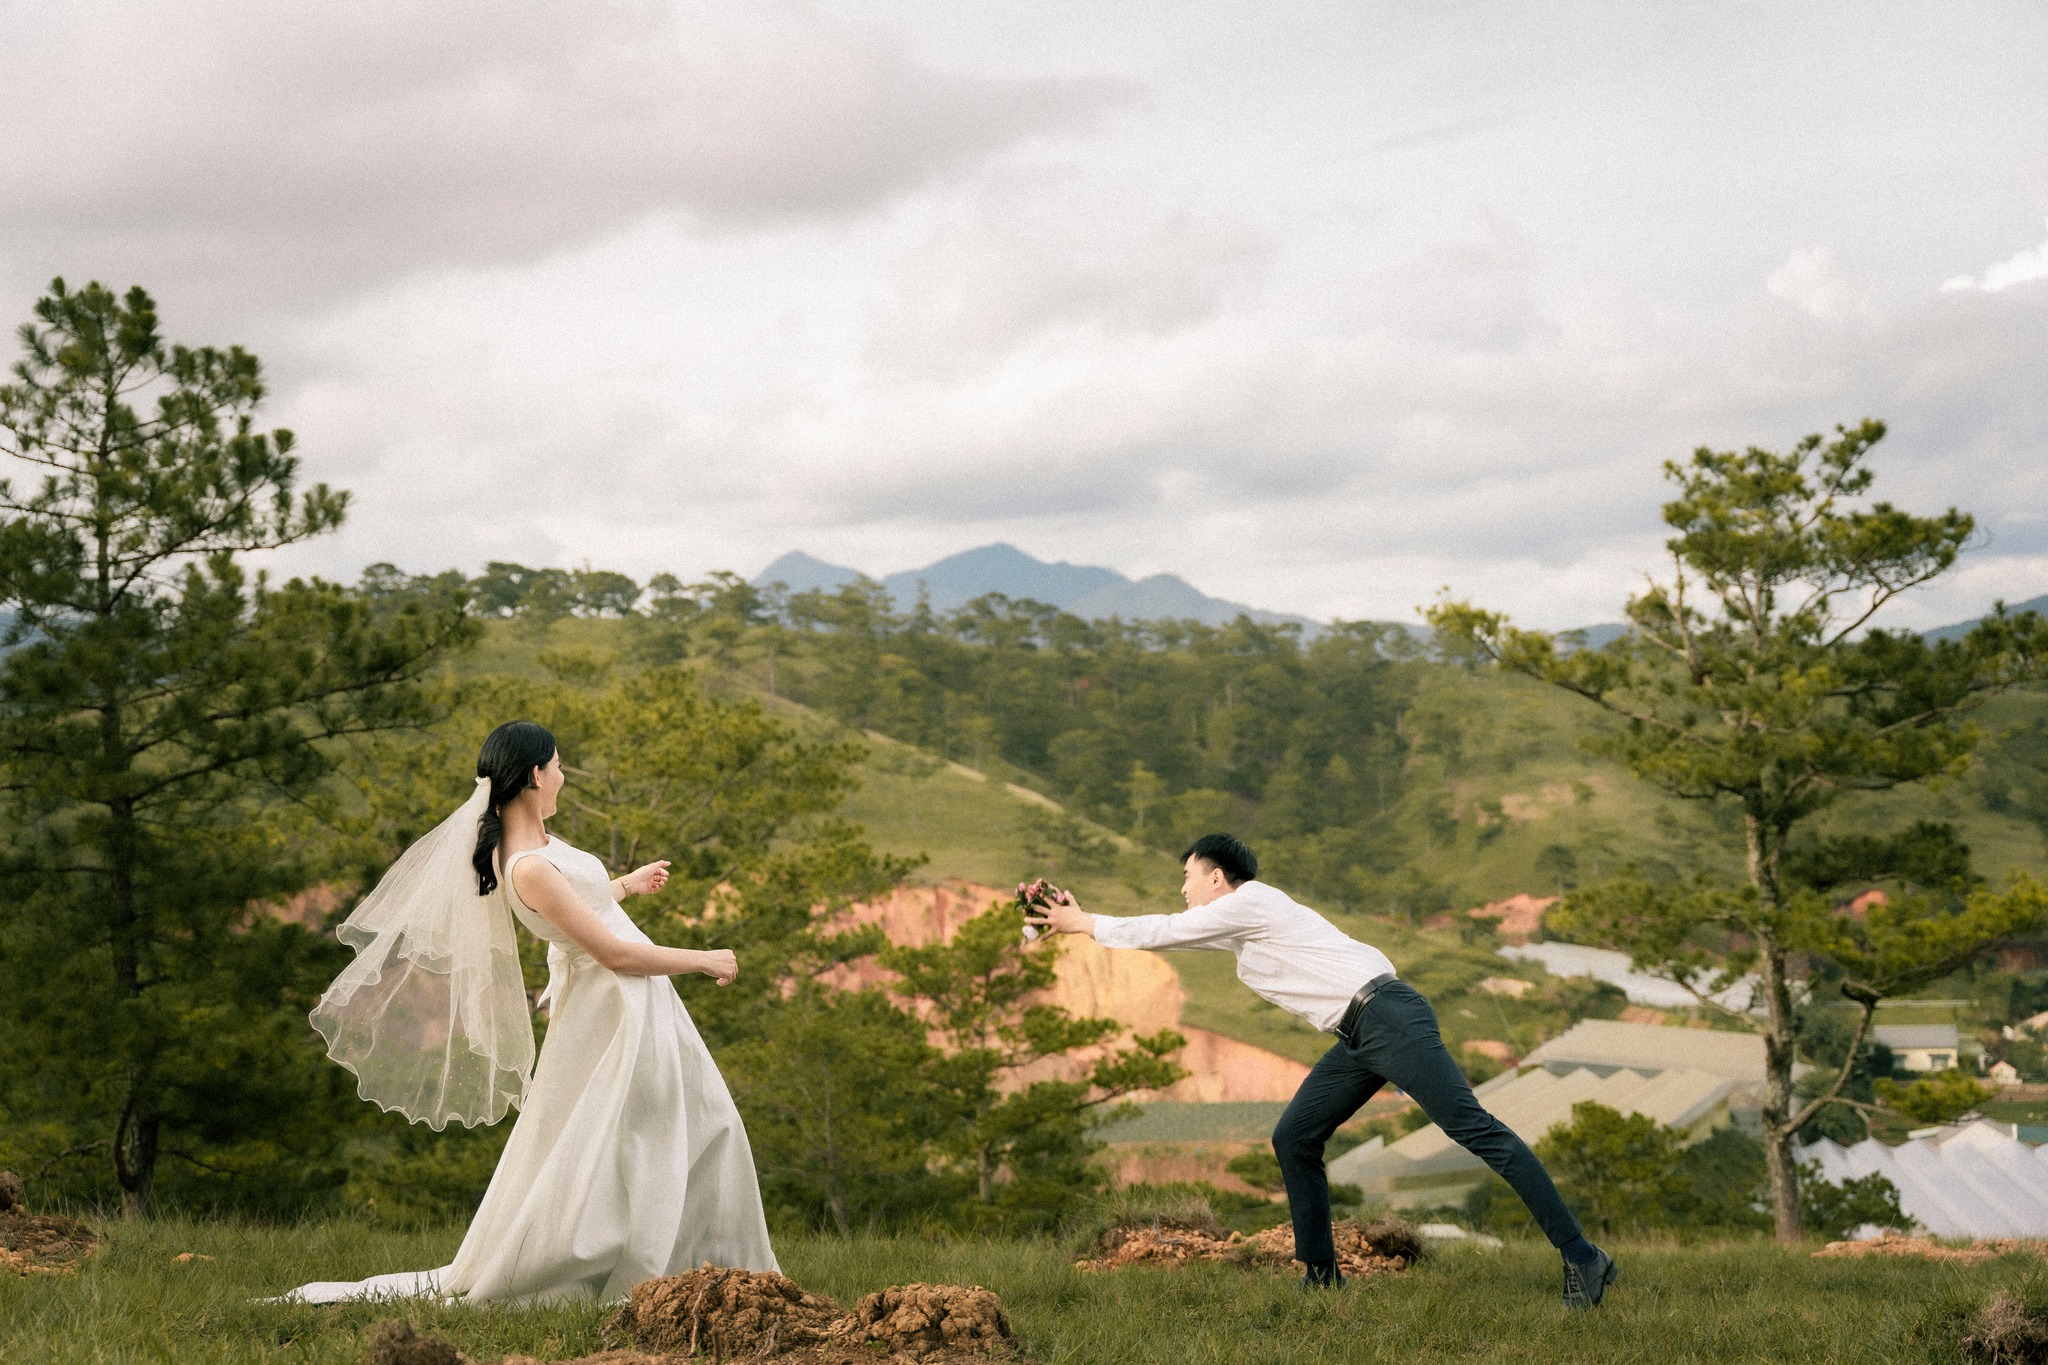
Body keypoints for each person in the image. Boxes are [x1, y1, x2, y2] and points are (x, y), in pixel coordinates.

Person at [281, 720, 776, 1304]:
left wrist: (626, 884)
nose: (565, 778)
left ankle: (699, 1260)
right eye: (560, 767)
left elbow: (578, 907)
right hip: (615, 1010)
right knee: (663, 1132)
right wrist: (704, 958)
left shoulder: (535, 852)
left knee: (672, 1129)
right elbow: (611, 952)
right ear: (536, 774)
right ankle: (658, 1265)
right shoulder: (527, 866)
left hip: (633, 1002)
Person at [1026, 832, 1617, 1308]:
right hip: (1360, 1034)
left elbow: (1170, 927)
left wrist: (1084, 922)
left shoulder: (1253, 901)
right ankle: (1322, 1277)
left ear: (1216, 876)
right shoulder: (1243, 930)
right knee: (1295, 1136)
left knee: (1474, 1130)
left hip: (1388, 1017)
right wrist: (1066, 919)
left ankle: (1582, 1255)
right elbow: (1167, 938)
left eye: (1187, 876)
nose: (1181, 888)